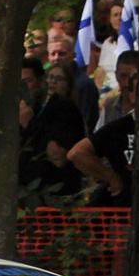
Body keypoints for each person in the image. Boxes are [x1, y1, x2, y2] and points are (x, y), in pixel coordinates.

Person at [25, 61, 88, 195]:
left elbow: (58, 158)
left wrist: (30, 124)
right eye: (50, 77)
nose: (52, 82)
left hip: (56, 190)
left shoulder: (68, 110)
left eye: (58, 79)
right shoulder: (35, 108)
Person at [44, 34, 99, 133]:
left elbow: (88, 122)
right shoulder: (44, 82)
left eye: (62, 53)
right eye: (53, 54)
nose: (57, 58)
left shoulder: (85, 85)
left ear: (73, 55)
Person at [94, 49, 138, 131]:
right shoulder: (109, 106)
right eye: (123, 76)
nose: (127, 83)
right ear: (116, 75)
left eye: (133, 77)